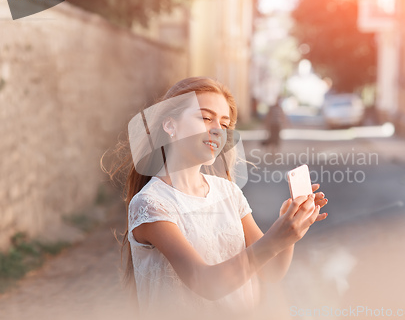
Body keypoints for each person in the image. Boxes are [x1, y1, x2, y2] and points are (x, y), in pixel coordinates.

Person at [103, 77, 328, 320]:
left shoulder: (228, 192)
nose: (217, 130)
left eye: (225, 123)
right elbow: (205, 282)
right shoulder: (151, 203)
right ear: (170, 125)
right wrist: (276, 237)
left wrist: (291, 229)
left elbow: (271, 271)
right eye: (205, 117)